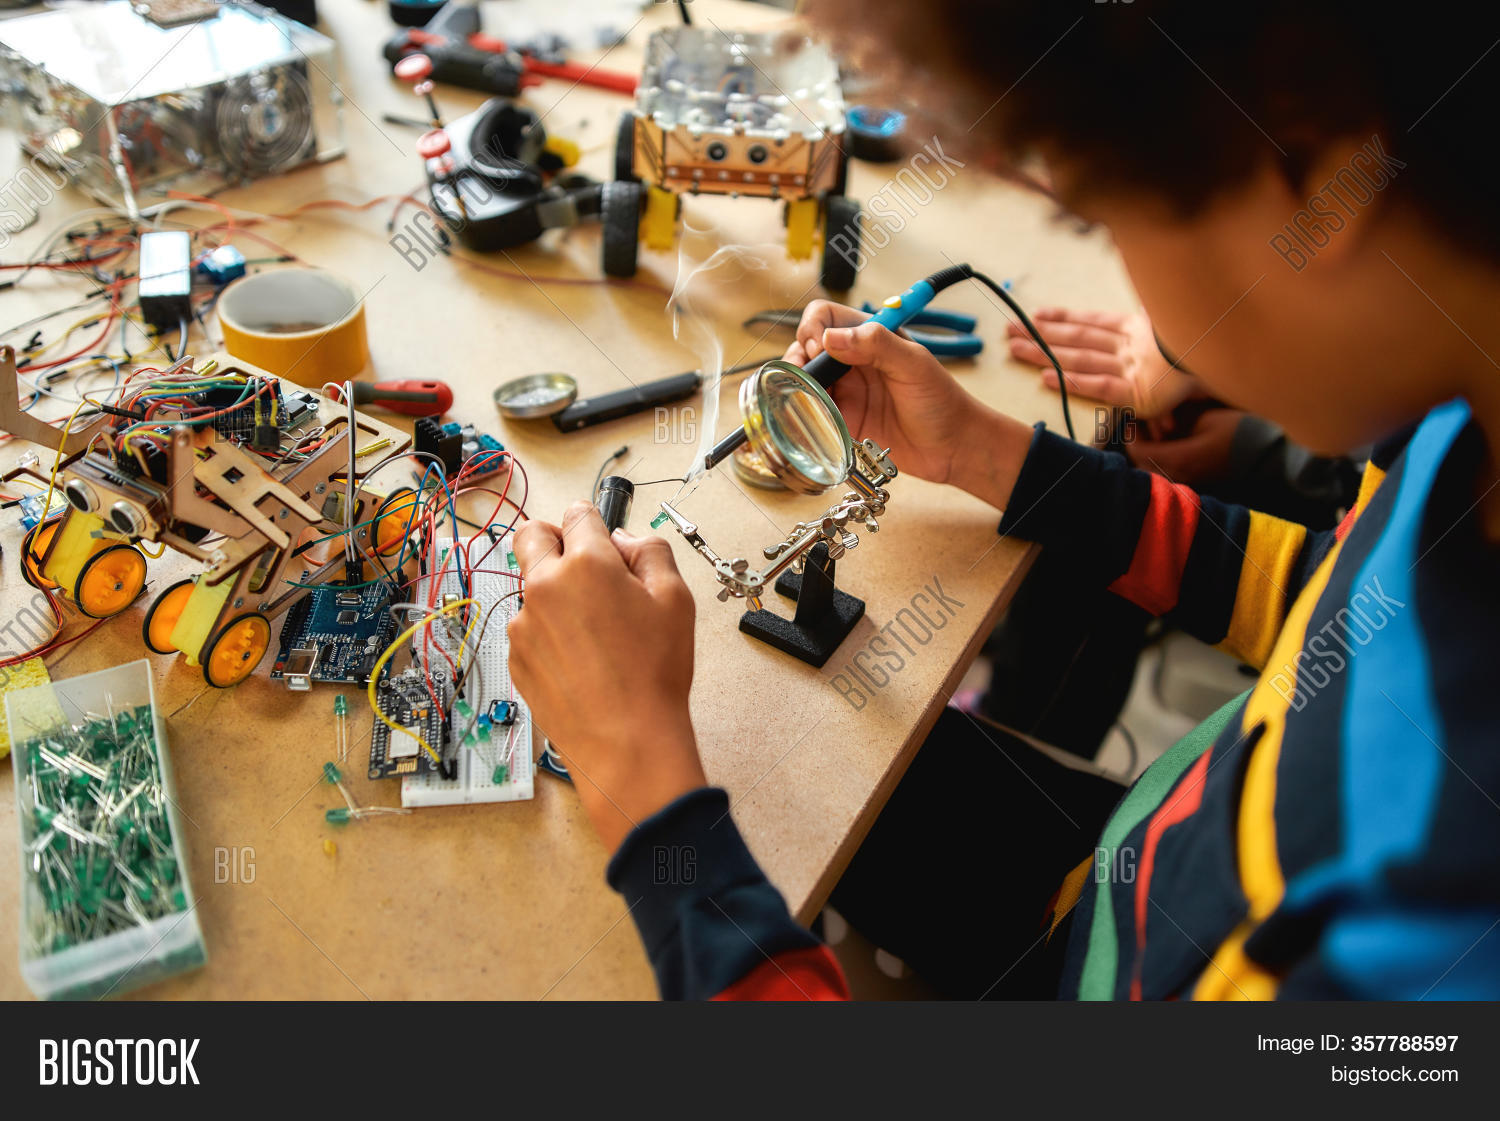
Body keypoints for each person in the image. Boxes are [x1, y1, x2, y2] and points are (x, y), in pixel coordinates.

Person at [508, 1, 1500, 999]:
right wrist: (996, 456)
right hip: (1134, 869)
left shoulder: (1410, 950)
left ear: (1325, 173)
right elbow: (1326, 597)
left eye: (1102, 213)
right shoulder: (1456, 435)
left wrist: (650, 801)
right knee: (815, 772)